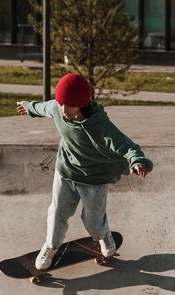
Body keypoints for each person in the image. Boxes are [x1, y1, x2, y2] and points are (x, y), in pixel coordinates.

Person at [17, 73, 153, 271]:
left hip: (94, 178)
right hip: (65, 171)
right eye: (61, 104)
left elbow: (126, 145)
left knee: (93, 219)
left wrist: (137, 161)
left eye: (69, 106)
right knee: (57, 213)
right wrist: (29, 106)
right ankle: (51, 246)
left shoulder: (101, 125)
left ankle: (103, 235)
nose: (63, 110)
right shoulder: (57, 108)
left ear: (82, 104)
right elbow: (43, 107)